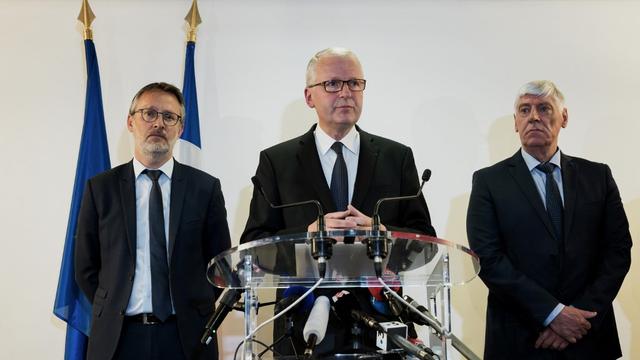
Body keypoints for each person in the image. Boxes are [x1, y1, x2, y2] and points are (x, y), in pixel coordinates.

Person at [240, 47, 436, 356]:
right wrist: (306, 236)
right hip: (304, 330)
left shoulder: (397, 157)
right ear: (309, 97)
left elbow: (425, 243)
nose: (345, 92)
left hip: (381, 325)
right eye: (333, 84)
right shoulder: (277, 162)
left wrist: (382, 231)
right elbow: (255, 246)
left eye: (354, 83)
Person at [466, 80, 632, 359]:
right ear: (515, 123)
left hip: (589, 337)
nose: (534, 117)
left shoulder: (598, 176)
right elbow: (488, 259)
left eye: (544, 108)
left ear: (563, 118)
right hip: (521, 338)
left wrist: (578, 318)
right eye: (524, 110)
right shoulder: (488, 182)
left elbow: (617, 251)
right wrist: (553, 314)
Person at [75, 82, 231, 360]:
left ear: (180, 129)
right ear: (130, 122)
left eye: (169, 117)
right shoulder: (100, 189)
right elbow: (86, 267)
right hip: (118, 339)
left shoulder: (205, 189)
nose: (159, 123)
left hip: (187, 338)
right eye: (149, 113)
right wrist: (112, 304)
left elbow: (219, 263)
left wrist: (193, 303)